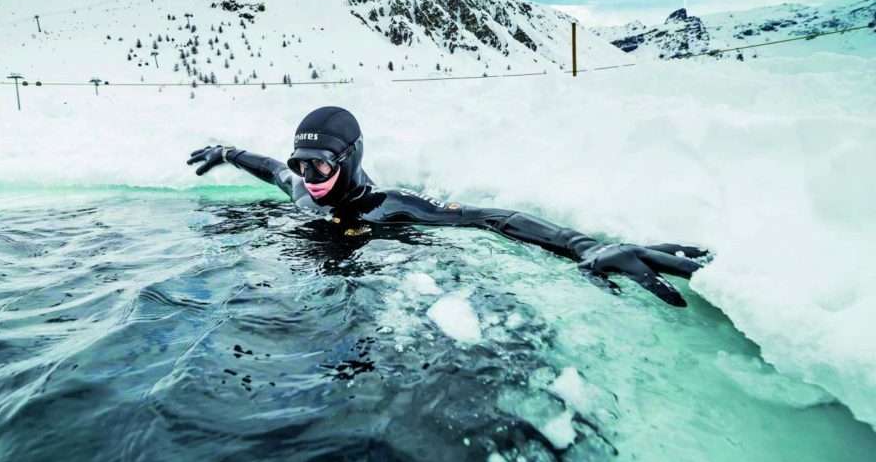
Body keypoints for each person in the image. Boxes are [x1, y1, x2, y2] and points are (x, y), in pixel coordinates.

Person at [187, 106, 709, 306]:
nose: (308, 179)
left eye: (320, 166)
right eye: (301, 165)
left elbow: (488, 217)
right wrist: (229, 152)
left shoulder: (391, 205)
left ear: (349, 158)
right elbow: (270, 169)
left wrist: (582, 245)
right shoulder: (301, 189)